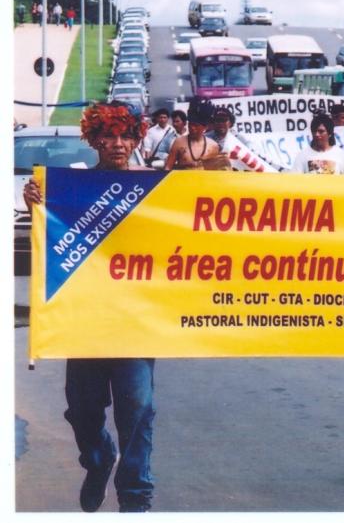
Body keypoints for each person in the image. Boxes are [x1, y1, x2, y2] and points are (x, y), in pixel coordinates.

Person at [23, 102, 157, 512]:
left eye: (125, 136)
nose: (117, 144)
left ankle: (136, 496)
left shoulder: (157, 185)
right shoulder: (71, 187)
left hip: (134, 321)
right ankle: (98, 461)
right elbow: (53, 238)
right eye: (108, 136)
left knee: (138, 412)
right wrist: (37, 205)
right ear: (94, 140)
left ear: (137, 138)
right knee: (83, 412)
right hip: (85, 323)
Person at [165, 100, 225, 170]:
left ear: (205, 127)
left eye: (196, 125)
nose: (192, 128)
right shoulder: (179, 142)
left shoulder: (213, 146)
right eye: (190, 124)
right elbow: (168, 167)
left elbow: (215, 171)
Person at [207, 106, 269, 172]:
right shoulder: (206, 138)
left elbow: (252, 154)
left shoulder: (239, 139)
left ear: (230, 123)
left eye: (224, 120)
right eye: (218, 120)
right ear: (213, 123)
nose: (221, 123)